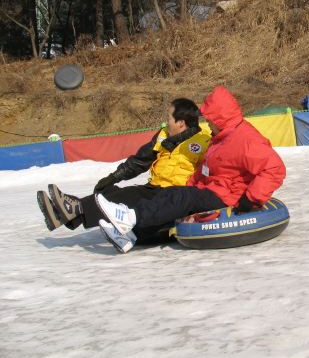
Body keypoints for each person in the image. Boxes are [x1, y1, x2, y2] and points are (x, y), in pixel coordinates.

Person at [96, 87, 287, 253]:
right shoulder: (221, 137)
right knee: (174, 193)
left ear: (219, 119)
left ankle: (131, 216)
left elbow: (274, 169)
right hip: (214, 189)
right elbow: (206, 169)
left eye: (210, 120)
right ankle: (131, 235)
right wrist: (189, 185)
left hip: (231, 195)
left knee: (184, 198)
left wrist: (252, 198)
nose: (207, 123)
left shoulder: (247, 140)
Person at [36, 98, 211, 243]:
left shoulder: (204, 142)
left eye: (169, 118)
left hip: (174, 194)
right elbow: (139, 161)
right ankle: (68, 214)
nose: (166, 122)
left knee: (128, 197)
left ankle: (73, 209)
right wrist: (113, 177)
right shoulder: (163, 135)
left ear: (181, 123)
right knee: (113, 191)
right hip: (154, 187)